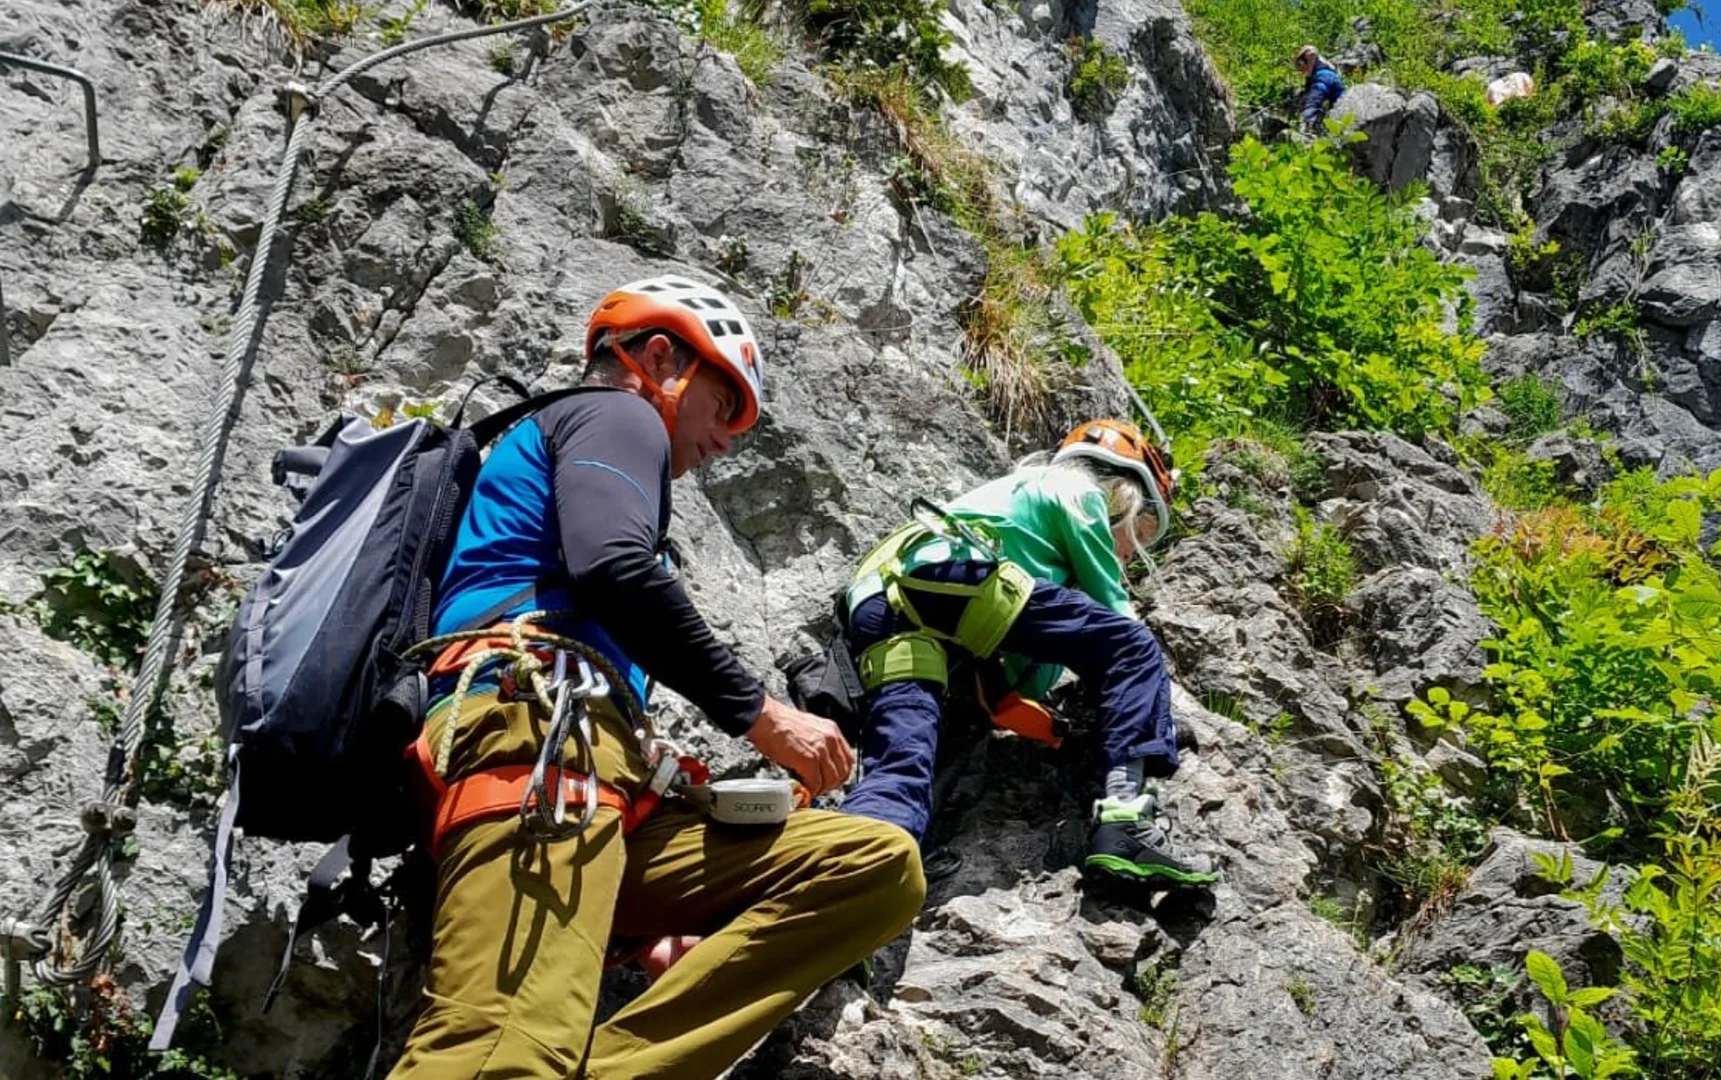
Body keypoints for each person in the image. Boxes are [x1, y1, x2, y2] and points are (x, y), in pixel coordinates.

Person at [386, 277, 926, 1080]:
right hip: (538, 739)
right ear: (662, 357)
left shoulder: (587, 450)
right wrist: (763, 717)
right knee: (500, 1057)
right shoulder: (616, 411)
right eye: (724, 402)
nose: (729, 438)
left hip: (593, 776)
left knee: (871, 867)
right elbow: (614, 565)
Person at [836, 419, 1218, 887]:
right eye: (1137, 534)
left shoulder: (1017, 513)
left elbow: (1026, 683)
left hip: (886, 608)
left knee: (906, 761)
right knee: (1135, 647)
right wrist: (1147, 715)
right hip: (959, 581)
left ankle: (856, 881)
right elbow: (1117, 622)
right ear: (1124, 495)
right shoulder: (1072, 487)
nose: (1128, 556)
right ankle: (1125, 823)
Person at [1293, 44, 1346, 135]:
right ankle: (1337, 132)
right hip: (1337, 82)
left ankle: (1306, 128)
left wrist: (1309, 74)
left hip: (1323, 80)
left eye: (1301, 68)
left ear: (1301, 61)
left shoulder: (1308, 55)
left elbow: (1312, 51)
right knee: (1339, 107)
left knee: (1312, 104)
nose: (1302, 72)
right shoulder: (1324, 62)